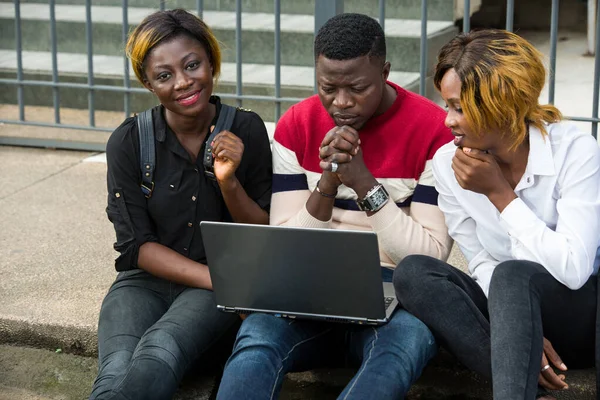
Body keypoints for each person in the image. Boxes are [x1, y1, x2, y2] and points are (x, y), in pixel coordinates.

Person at [216, 13, 454, 400]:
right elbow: (286, 247)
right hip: (308, 286)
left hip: (397, 295)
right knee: (256, 341)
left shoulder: (434, 131)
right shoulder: (298, 124)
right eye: (328, 87)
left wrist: (363, 183)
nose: (341, 103)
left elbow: (428, 258)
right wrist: (328, 182)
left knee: (399, 351)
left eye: (358, 88)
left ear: (386, 72)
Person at [394, 29, 600, 400]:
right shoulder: (447, 164)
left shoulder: (576, 151)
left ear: (501, 104)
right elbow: (481, 259)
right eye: (446, 106)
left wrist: (500, 195)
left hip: (576, 317)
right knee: (414, 272)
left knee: (513, 274)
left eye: (460, 108)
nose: (447, 121)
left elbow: (574, 271)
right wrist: (517, 332)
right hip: (508, 323)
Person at [89, 9, 272, 400]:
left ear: (211, 61)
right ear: (147, 82)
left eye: (192, 65)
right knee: (114, 372)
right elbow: (136, 245)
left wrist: (228, 181)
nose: (184, 82)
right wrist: (221, 283)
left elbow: (261, 229)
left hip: (212, 291)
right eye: (165, 75)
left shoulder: (245, 129)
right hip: (147, 285)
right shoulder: (129, 141)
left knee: (158, 353)